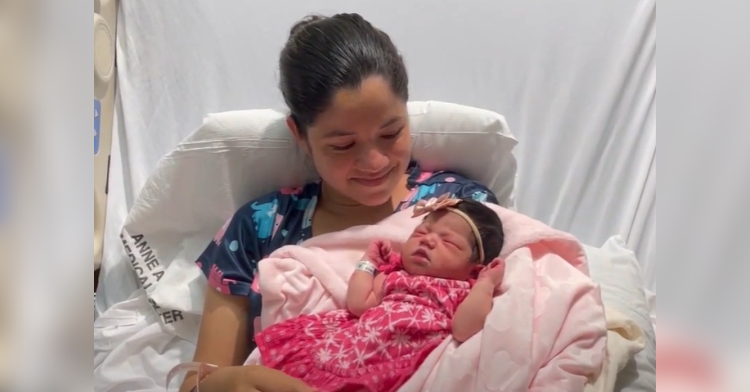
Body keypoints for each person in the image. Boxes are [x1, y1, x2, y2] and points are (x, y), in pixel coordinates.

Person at [181, 13, 499, 392]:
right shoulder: (260, 227)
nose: (375, 163)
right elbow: (199, 381)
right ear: (300, 135)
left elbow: (517, 331)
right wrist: (238, 381)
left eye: (391, 132)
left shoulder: (463, 208)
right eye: (343, 145)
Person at [255, 196, 506, 392]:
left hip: (394, 363)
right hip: (348, 348)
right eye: (420, 233)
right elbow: (358, 304)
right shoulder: (395, 275)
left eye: (448, 242)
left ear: (474, 266)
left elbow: (463, 329)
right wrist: (368, 262)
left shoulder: (463, 290)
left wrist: (485, 285)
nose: (427, 241)